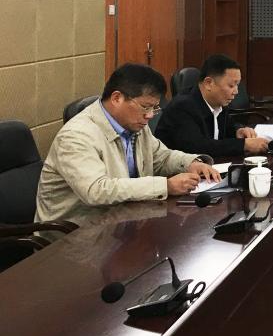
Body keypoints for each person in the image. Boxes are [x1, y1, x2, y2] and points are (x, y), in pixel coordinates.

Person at [35, 64, 221, 227]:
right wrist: (165, 186)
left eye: (154, 108)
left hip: (120, 224)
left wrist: (190, 163)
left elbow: (160, 157)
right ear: (117, 98)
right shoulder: (76, 136)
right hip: (73, 236)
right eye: (145, 107)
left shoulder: (135, 125)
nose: (150, 115)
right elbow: (96, 191)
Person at [156, 54, 271, 159]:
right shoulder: (182, 107)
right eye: (231, 85)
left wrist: (238, 131)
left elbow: (227, 128)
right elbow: (199, 148)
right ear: (209, 83)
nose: (236, 91)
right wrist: (243, 145)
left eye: (237, 85)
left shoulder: (218, 102)